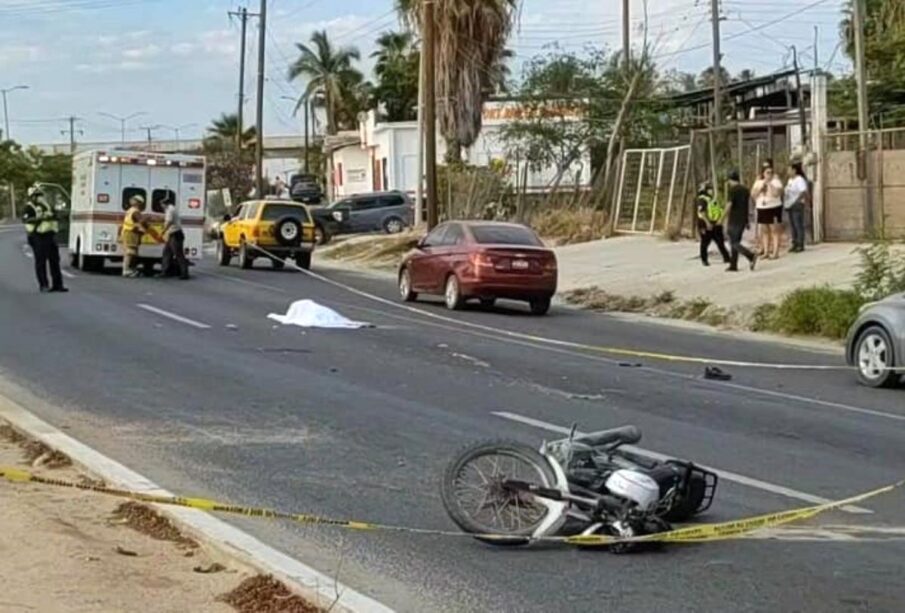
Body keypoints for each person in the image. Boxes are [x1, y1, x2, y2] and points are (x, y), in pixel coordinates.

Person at [22, 185, 67, 293]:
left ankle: (58, 285)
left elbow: (54, 215)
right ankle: (44, 285)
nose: (40, 197)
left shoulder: (46, 205)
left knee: (55, 260)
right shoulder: (29, 207)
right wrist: (40, 218)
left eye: (40, 195)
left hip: (50, 235)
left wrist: (56, 215)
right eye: (37, 196)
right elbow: (26, 220)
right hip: (37, 236)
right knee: (41, 262)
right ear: (32, 197)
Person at [724, 170, 757, 271]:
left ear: (730, 180)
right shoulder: (745, 190)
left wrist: (722, 218)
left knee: (733, 242)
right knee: (736, 241)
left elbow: (729, 205)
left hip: (734, 219)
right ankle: (733, 265)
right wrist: (747, 220)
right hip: (743, 218)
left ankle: (750, 255)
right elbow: (747, 206)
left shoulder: (733, 190)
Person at [752, 163, 784, 259]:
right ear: (763, 173)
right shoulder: (758, 182)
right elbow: (753, 195)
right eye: (767, 172)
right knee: (764, 230)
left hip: (773, 207)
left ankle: (775, 252)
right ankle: (766, 251)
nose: (769, 175)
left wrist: (770, 184)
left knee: (774, 229)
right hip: (762, 207)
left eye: (771, 172)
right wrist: (760, 188)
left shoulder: (776, 182)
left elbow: (777, 194)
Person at [695, 182, 731, 267]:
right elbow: (702, 212)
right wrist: (707, 223)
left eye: (711, 189)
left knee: (720, 241)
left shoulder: (712, 199)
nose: (711, 191)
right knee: (705, 242)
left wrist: (720, 220)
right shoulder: (702, 199)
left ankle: (727, 258)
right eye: (709, 189)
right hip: (705, 223)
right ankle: (704, 260)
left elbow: (718, 210)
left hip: (716, 222)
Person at [161, 198, 190, 279]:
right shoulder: (171, 209)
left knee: (178, 254)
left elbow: (169, 221)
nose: (161, 207)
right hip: (172, 234)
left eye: (162, 205)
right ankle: (165, 271)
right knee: (167, 252)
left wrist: (163, 231)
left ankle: (184, 273)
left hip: (175, 234)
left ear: (164, 204)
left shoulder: (170, 210)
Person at [784, 162, 809, 253]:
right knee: (792, 225)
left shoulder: (799, 180)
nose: (788, 172)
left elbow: (803, 192)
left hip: (797, 204)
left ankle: (800, 244)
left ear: (794, 170)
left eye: (789, 170)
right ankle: (794, 243)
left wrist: (796, 201)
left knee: (798, 224)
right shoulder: (790, 180)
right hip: (789, 204)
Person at [121, 194, 148, 277]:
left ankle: (130, 269)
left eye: (134, 199)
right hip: (131, 233)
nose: (132, 200)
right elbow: (141, 221)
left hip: (129, 232)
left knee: (131, 252)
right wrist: (147, 219)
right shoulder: (135, 211)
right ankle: (126, 270)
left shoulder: (130, 210)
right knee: (130, 252)